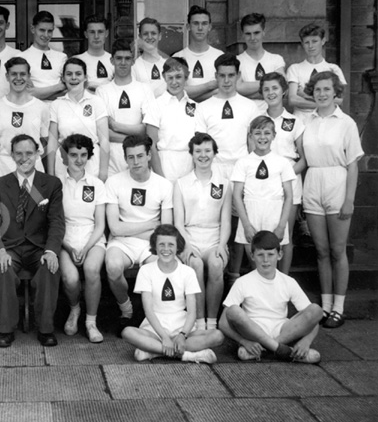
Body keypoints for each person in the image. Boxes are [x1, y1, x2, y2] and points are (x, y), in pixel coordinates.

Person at [0, 134, 65, 348]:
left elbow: (56, 222)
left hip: (40, 248)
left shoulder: (51, 184)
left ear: (38, 153)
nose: (24, 158)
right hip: (10, 247)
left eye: (29, 153)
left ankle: (46, 329)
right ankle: (5, 329)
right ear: (11, 155)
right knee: (2, 269)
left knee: (50, 268)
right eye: (18, 153)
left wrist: (51, 251)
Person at [302, 71, 363, 329]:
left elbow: (353, 165)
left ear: (335, 91)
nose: (322, 94)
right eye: (317, 90)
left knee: (338, 250)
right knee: (322, 251)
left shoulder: (346, 122)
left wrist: (349, 199)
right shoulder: (308, 121)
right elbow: (303, 160)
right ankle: (325, 306)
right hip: (313, 183)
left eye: (327, 89)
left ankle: (339, 307)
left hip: (337, 183)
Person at [122, 225, 224, 363]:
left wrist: (182, 335)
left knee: (217, 336)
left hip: (181, 327)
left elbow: (192, 312)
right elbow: (149, 311)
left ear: (177, 247)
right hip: (154, 329)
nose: (166, 249)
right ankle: (187, 355)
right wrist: (164, 337)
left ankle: (154, 352)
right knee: (127, 332)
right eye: (161, 244)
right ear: (154, 246)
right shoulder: (146, 270)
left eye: (171, 245)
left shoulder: (187, 272)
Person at [219, 231, 323, 363]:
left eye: (270, 254)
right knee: (233, 311)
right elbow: (222, 323)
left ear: (279, 255)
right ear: (252, 256)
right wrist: (244, 341)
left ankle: (269, 348)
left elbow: (313, 319)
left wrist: (306, 342)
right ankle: (286, 352)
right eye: (260, 255)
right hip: (254, 330)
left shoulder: (288, 281)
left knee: (316, 310)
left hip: (282, 330)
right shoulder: (242, 282)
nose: (266, 260)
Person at [105, 135, 173, 332]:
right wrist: (151, 223)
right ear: (125, 158)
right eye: (131, 157)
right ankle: (126, 309)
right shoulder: (114, 182)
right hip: (121, 242)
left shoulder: (163, 185)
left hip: (149, 244)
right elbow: (115, 228)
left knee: (160, 267)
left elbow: (165, 231)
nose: (136, 162)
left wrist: (141, 230)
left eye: (140, 156)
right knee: (113, 266)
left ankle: (151, 316)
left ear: (149, 155)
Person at [174, 133, 231, 331]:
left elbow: (225, 221)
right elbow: (178, 223)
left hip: (214, 237)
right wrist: (187, 246)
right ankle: (199, 323)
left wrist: (222, 245)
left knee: (216, 265)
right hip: (189, 237)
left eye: (207, 150)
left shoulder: (224, 183)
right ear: (192, 154)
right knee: (195, 265)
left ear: (215, 153)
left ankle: (212, 321)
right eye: (198, 151)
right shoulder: (181, 183)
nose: (203, 155)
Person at [59, 134, 107, 343]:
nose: (79, 160)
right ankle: (75, 310)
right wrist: (69, 248)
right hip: (65, 239)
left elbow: (100, 225)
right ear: (65, 156)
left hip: (91, 238)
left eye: (83, 155)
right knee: (70, 278)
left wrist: (87, 248)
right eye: (74, 155)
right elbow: (55, 223)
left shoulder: (96, 184)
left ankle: (91, 321)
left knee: (91, 269)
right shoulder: (57, 184)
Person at [232, 116, 295, 263]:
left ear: (274, 135)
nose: (262, 137)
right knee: (256, 263)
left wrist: (281, 226)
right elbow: (236, 196)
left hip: (274, 218)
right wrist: (247, 226)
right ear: (250, 136)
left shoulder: (282, 163)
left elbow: (289, 197)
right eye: (257, 133)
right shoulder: (243, 163)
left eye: (267, 133)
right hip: (251, 218)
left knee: (271, 262)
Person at [260, 72, 306, 274]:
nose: (271, 93)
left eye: (275, 88)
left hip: (288, 184)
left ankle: (283, 280)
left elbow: (304, 159)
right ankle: (265, 281)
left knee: (284, 235)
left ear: (284, 91)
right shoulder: (258, 120)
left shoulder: (295, 122)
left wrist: (283, 176)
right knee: (264, 234)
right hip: (263, 184)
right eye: (266, 89)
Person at [97, 39, 156, 177]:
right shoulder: (102, 91)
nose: (123, 63)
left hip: (138, 158)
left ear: (133, 61)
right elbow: (103, 133)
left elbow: (147, 129)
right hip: (111, 159)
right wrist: (136, 137)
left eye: (127, 58)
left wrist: (115, 126)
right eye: (119, 58)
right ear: (111, 60)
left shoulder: (145, 89)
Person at [194, 53, 259, 180]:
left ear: (238, 76)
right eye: (222, 75)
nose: (226, 80)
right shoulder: (203, 107)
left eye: (231, 75)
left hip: (242, 168)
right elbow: (201, 144)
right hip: (213, 168)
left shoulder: (250, 106)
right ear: (216, 76)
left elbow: (253, 144)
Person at [47, 58, 110, 180]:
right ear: (63, 78)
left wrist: (103, 172)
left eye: (78, 74)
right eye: (69, 74)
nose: (74, 78)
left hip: (91, 163)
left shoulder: (96, 102)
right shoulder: (56, 104)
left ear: (85, 77)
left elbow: (104, 141)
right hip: (64, 164)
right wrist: (50, 174)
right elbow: (52, 143)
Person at [0, 57, 50, 178]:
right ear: (7, 76)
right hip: (4, 168)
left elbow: (44, 139)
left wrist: (29, 159)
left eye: (22, 74)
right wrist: (8, 158)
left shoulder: (41, 107)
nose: (18, 78)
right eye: (13, 74)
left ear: (28, 76)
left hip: (33, 167)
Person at [144, 57, 197, 181]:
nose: (174, 82)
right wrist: (161, 178)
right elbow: (151, 145)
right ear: (164, 77)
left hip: (189, 166)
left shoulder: (195, 106)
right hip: (165, 165)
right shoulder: (155, 105)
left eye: (178, 77)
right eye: (170, 77)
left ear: (186, 77)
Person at [287, 23, 347, 124]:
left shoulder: (333, 69)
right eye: (307, 42)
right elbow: (292, 100)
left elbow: (339, 100)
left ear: (323, 41)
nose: (311, 46)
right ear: (302, 44)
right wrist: (325, 101)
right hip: (302, 120)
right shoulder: (295, 68)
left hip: (327, 119)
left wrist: (304, 95)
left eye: (314, 41)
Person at [236, 13, 286, 112]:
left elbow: (283, 87)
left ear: (263, 32)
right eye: (248, 34)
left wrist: (247, 91)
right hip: (246, 116)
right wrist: (270, 87)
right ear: (242, 35)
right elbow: (238, 88)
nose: (252, 38)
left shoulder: (276, 59)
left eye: (256, 33)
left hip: (273, 117)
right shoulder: (237, 61)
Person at [173, 5, 224, 102]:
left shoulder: (220, 56)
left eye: (204, 24)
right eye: (196, 23)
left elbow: (225, 90)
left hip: (213, 113)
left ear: (210, 27)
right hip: (185, 114)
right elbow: (177, 92)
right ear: (188, 27)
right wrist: (210, 87)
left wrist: (191, 94)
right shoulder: (177, 57)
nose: (200, 28)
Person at [21, 10, 67, 101]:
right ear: (33, 29)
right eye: (42, 30)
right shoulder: (21, 58)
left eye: (49, 31)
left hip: (58, 111)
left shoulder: (62, 57)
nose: (46, 35)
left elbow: (67, 91)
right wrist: (58, 87)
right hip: (34, 111)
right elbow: (26, 93)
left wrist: (37, 92)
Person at [75, 15, 113, 92]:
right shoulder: (76, 60)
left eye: (100, 32)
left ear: (106, 33)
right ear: (86, 34)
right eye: (92, 32)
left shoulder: (115, 61)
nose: (96, 36)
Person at [132, 17, 167, 97]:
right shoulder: (134, 67)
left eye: (153, 33)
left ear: (160, 36)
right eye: (145, 34)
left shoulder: (168, 66)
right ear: (140, 37)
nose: (150, 37)